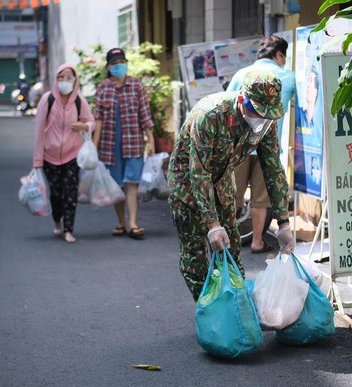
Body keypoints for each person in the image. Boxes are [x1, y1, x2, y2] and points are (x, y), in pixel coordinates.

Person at [168, 71, 295, 301]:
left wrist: (283, 222)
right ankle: (210, 311)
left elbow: (273, 168)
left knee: (230, 251)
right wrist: (212, 224)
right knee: (195, 258)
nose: (262, 117)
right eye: (257, 111)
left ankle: (236, 306)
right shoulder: (210, 115)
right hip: (187, 184)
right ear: (241, 100)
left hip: (223, 182)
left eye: (267, 113)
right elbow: (199, 172)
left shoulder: (266, 122)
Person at [226, 35, 296, 254]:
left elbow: (228, 105)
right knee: (261, 198)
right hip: (267, 145)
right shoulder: (288, 77)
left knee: (232, 195)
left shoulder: (240, 74)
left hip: (238, 144)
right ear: (279, 55)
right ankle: (257, 241)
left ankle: (226, 242)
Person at [92, 47, 155, 240]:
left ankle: (133, 223)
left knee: (132, 184)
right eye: (115, 63)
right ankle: (121, 222)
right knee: (117, 186)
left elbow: (145, 115)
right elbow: (99, 119)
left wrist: (151, 140)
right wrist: (94, 146)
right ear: (108, 67)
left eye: (122, 62)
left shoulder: (136, 86)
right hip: (110, 145)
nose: (119, 66)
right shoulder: (104, 87)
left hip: (133, 142)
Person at [33, 64, 94, 243]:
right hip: (49, 156)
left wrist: (84, 126)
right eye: (61, 77)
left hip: (72, 155)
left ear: (75, 81)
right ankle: (57, 220)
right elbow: (38, 130)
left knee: (70, 192)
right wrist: (37, 160)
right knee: (56, 193)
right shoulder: (47, 99)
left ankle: (69, 229)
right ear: (56, 79)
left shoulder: (79, 101)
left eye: (69, 77)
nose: (65, 81)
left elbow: (91, 121)